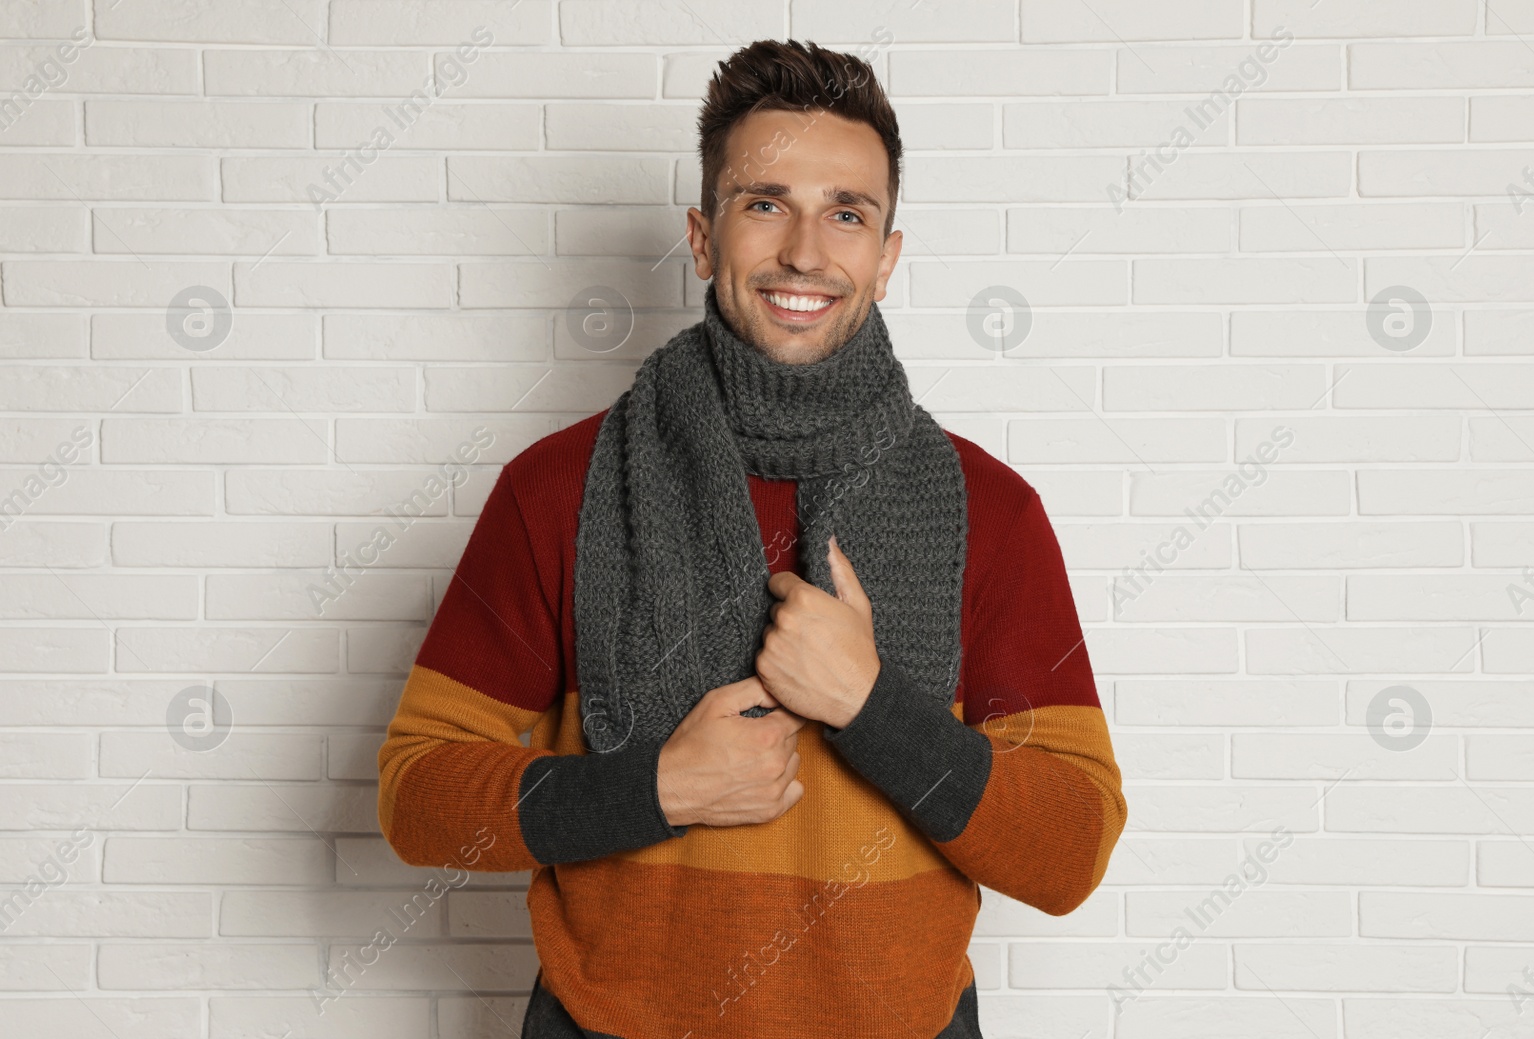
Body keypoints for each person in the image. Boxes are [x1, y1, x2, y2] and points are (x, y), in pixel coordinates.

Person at [377, 37, 1126, 1039]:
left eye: (846, 213)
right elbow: (418, 796)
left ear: (887, 256)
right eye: (764, 202)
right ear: (700, 236)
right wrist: (651, 789)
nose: (805, 252)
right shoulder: (556, 490)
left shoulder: (991, 511)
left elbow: (1070, 851)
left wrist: (870, 706)